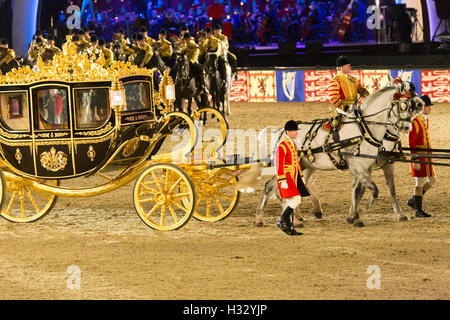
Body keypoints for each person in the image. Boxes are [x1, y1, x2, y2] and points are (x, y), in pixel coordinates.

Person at [275, 120, 310, 236]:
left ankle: (289, 227)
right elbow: (279, 164)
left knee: (291, 201)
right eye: (294, 131)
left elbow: (296, 162)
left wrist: (301, 176)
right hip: (286, 176)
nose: (297, 133)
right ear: (287, 131)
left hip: (294, 176)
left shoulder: (293, 144)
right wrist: (282, 179)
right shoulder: (282, 145)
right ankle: (281, 220)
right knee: (296, 199)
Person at [407, 95, 436, 218]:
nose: (430, 109)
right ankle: (418, 209)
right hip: (419, 155)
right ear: (422, 107)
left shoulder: (426, 120)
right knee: (419, 182)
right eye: (428, 106)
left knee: (433, 179)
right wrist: (415, 160)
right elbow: (412, 142)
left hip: (427, 155)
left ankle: (414, 199)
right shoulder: (415, 121)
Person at [328, 55, 369, 140]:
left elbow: (360, 89)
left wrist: (366, 94)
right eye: (348, 65)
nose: (350, 66)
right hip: (343, 111)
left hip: (355, 108)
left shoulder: (353, 79)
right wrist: (344, 108)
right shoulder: (335, 80)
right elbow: (333, 99)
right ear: (341, 67)